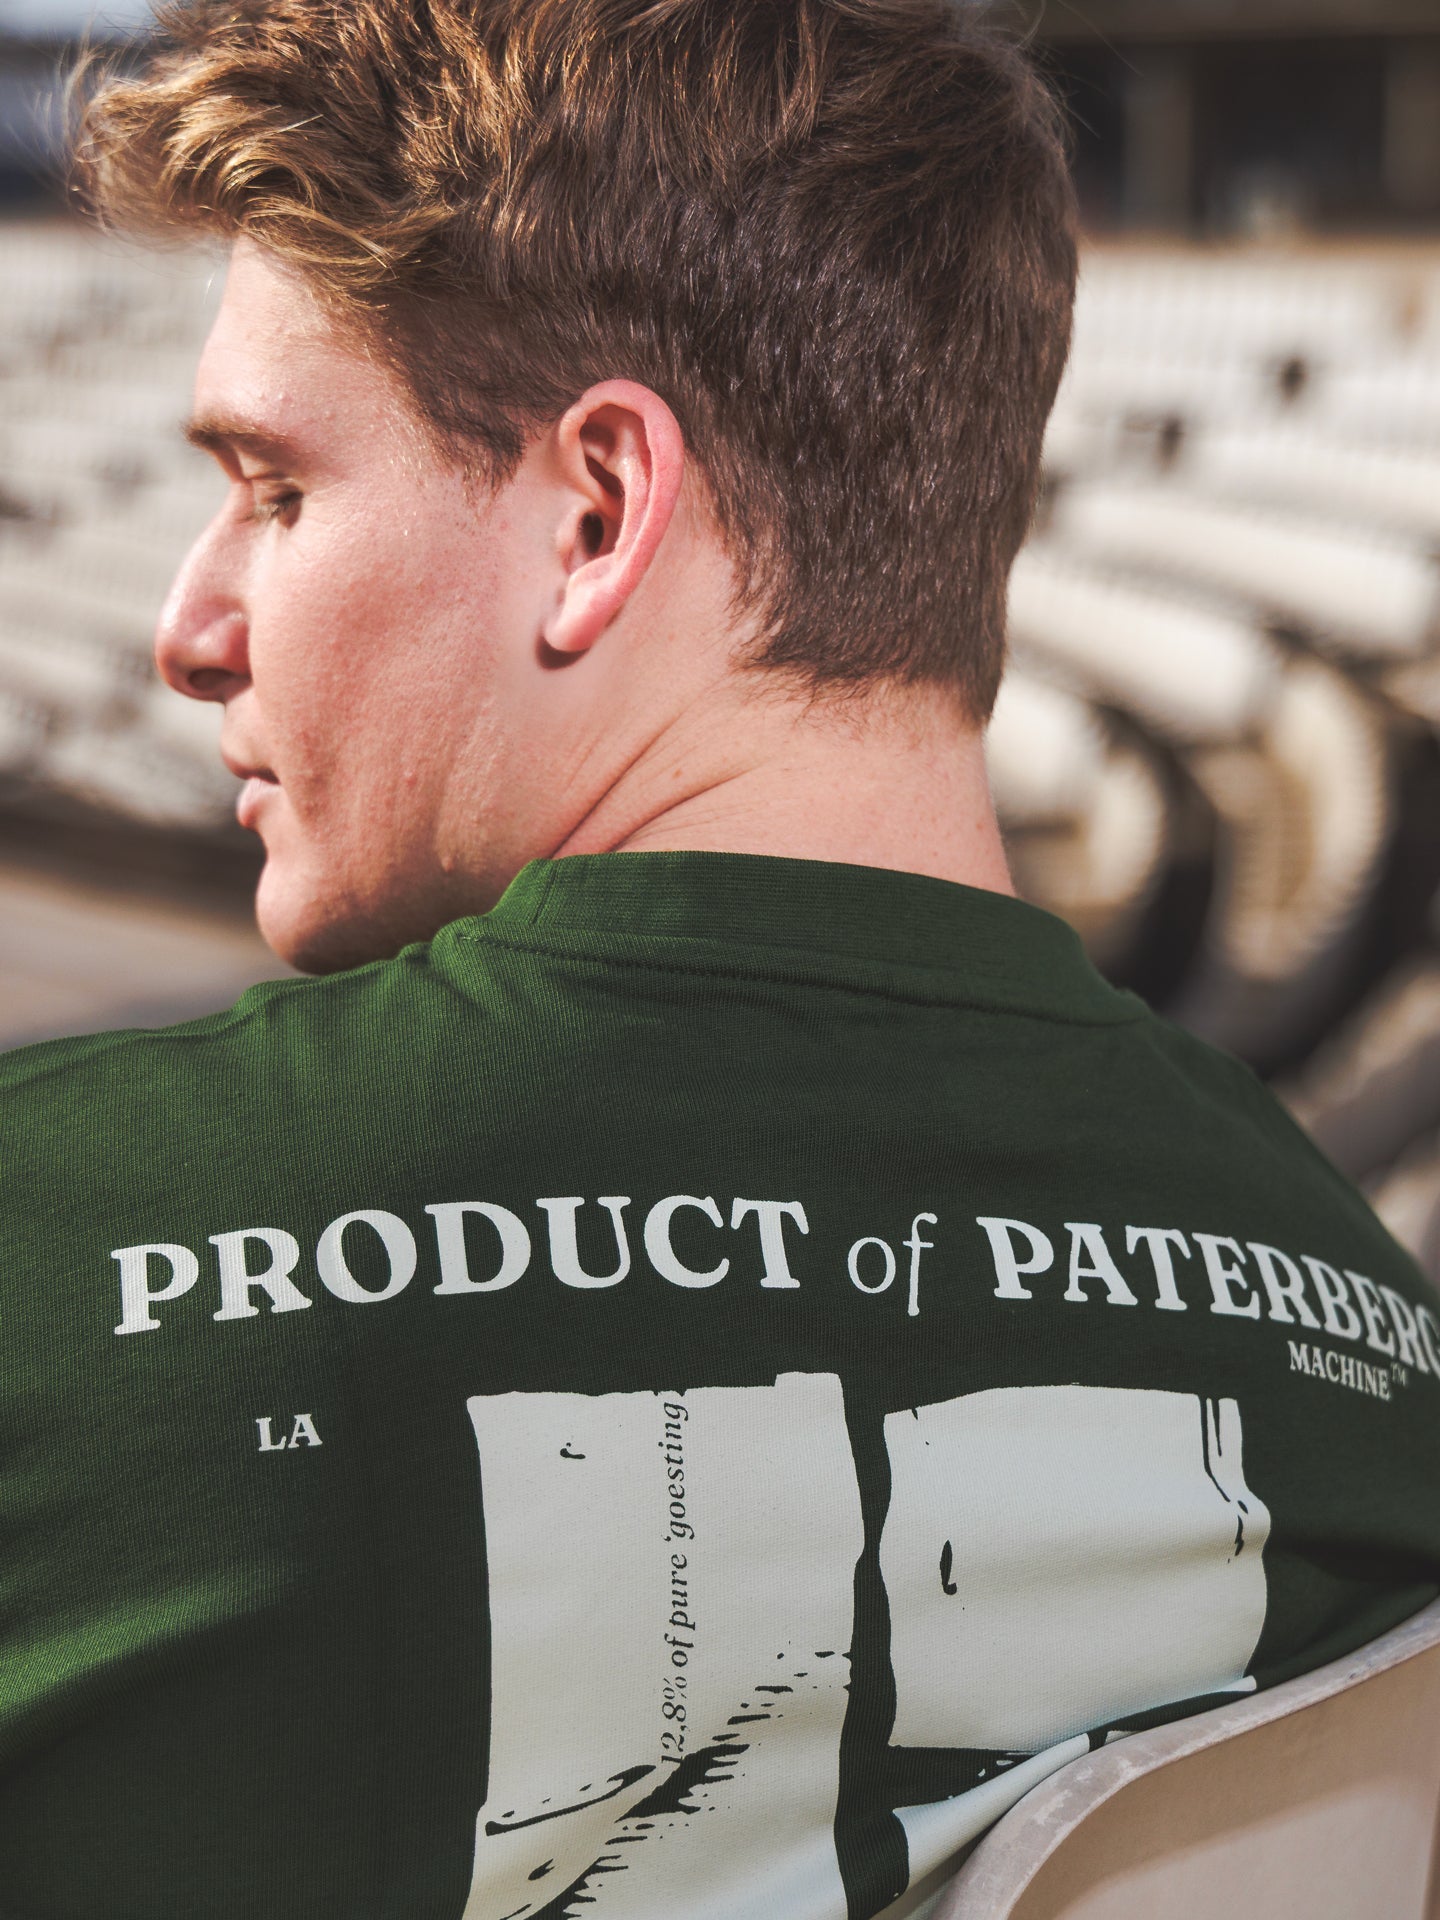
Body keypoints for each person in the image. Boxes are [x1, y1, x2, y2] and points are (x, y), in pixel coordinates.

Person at [0, 1, 1432, 1915]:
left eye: (276, 491)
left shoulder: (52, 1245)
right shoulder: (1371, 1343)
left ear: (598, 515)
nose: (192, 628)